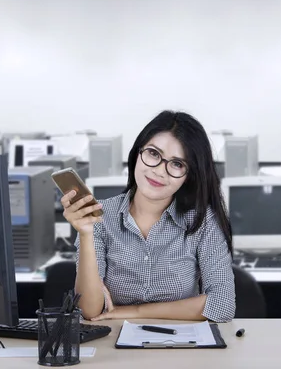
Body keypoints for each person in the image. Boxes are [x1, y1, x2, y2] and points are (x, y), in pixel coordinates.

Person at [62, 110, 236, 322]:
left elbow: (223, 305)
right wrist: (85, 234)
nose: (160, 171)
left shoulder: (202, 221)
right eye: (153, 153)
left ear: (188, 176)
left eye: (177, 164)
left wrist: (131, 312)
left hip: (181, 345)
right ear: (138, 153)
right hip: (114, 345)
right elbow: (90, 311)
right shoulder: (100, 218)